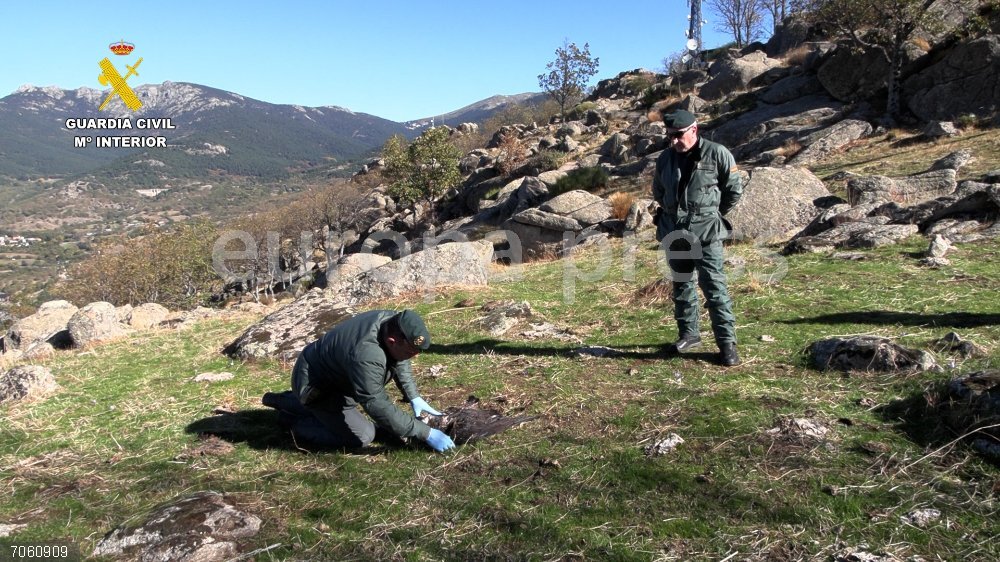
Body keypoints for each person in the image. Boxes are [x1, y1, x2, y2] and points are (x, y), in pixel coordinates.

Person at [262, 309, 455, 452]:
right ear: (392, 342)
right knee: (363, 436)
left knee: (349, 412)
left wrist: (414, 397)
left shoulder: (392, 323)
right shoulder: (366, 355)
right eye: (410, 352)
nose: (414, 357)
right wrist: (426, 433)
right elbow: (377, 404)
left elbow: (400, 358)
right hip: (316, 388)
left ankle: (282, 400)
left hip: (327, 377)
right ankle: (291, 421)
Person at [652, 109, 743, 366]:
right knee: (681, 286)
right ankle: (688, 334)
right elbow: (659, 191)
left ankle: (726, 344)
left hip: (706, 234)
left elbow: (733, 191)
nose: (673, 141)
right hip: (674, 232)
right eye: (669, 136)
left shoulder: (717, 153)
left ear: (694, 129)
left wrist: (710, 215)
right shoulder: (665, 159)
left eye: (678, 135)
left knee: (715, 288)